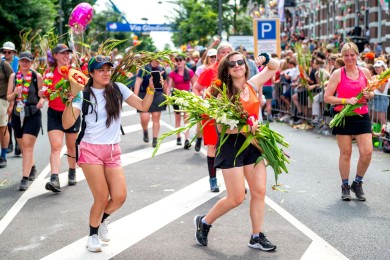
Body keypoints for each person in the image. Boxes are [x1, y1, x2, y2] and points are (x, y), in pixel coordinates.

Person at [62, 56, 155, 252]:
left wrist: (151, 90)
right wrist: (71, 97)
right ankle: (92, 235)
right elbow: (67, 124)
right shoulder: (83, 93)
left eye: (108, 69)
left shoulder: (118, 88)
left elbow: (143, 106)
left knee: (120, 197)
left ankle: (101, 221)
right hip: (90, 149)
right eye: (100, 69)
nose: (105, 73)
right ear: (92, 73)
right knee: (102, 197)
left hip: (113, 150)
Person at [194, 51, 280, 250]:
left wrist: (266, 58)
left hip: (254, 143)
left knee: (259, 191)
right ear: (227, 70)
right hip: (231, 145)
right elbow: (221, 127)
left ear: (245, 65)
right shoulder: (221, 92)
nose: (237, 66)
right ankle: (204, 222)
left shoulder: (253, 84)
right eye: (232, 64)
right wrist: (245, 128)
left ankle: (256, 236)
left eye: (240, 62)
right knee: (237, 197)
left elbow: (275, 66)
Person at [324, 42, 374, 201]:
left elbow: (372, 92)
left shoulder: (365, 72)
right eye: (346, 55)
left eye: (352, 55)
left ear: (357, 55)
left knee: (367, 152)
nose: (349, 58)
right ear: (342, 57)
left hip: (361, 115)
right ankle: (345, 186)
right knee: (346, 153)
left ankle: (357, 183)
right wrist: (346, 101)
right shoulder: (338, 74)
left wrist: (369, 95)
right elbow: (327, 97)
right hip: (343, 116)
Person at [193, 42, 233, 192]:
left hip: (230, 115)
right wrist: (202, 102)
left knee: (231, 147)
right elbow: (196, 88)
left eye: (229, 52)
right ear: (217, 55)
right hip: (211, 114)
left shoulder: (234, 71)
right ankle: (213, 180)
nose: (226, 54)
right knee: (213, 147)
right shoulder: (210, 71)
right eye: (223, 52)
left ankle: (233, 183)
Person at [43, 43, 80, 192]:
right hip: (54, 112)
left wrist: (73, 95)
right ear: (56, 56)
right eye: (62, 53)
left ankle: (72, 171)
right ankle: (54, 178)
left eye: (67, 53)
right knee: (56, 146)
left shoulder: (74, 72)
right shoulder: (49, 73)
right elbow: (47, 94)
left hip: (71, 113)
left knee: (71, 146)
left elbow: (80, 93)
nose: (66, 56)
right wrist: (42, 95)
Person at [6, 51, 44, 190]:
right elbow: (9, 97)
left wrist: (41, 101)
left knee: (27, 146)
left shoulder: (36, 76)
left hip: (33, 113)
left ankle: (25, 178)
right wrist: (15, 93)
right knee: (22, 146)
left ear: (31, 62)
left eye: (27, 61)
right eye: (22, 60)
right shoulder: (13, 76)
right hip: (17, 113)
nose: (25, 63)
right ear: (19, 62)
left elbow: (43, 94)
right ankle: (32, 166)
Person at [134, 59, 168, 148]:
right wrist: (135, 97)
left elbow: (165, 85)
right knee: (144, 118)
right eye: (156, 59)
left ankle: (155, 139)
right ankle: (145, 131)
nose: (158, 61)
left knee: (156, 117)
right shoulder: (144, 69)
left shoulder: (162, 69)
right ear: (152, 59)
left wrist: (167, 97)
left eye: (160, 59)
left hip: (157, 95)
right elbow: (137, 82)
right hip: (144, 94)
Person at [168, 54, 196, 149]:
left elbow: (195, 85)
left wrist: (196, 97)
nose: (179, 62)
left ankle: (187, 139)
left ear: (184, 61)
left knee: (186, 118)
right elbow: (169, 86)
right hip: (176, 97)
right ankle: (178, 137)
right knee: (177, 118)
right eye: (177, 60)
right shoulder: (173, 73)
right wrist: (168, 97)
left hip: (186, 97)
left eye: (180, 60)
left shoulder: (190, 72)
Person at [1, 41, 20, 155]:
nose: (6, 54)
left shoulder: (18, 61)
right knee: (7, 120)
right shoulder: (1, 62)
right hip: (6, 95)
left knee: (16, 119)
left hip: (19, 92)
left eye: (9, 52)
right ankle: (10, 144)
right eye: (4, 51)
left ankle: (19, 143)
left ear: (13, 52)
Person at [0, 58, 13, 168]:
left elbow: (13, 81)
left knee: (2, 128)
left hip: (2, 100)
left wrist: (11, 103)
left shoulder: (4, 64)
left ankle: (3, 156)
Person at [371, 60, 389, 126]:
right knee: (375, 116)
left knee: (381, 118)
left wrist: (374, 83)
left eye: (378, 67)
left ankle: (385, 133)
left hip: (381, 98)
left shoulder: (385, 77)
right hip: (375, 97)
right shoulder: (377, 76)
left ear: (383, 67)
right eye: (375, 67)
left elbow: (382, 90)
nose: (376, 68)